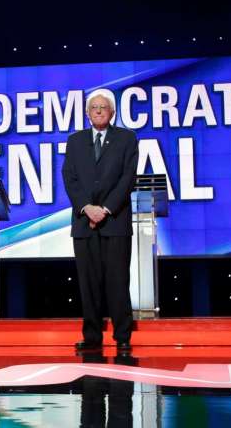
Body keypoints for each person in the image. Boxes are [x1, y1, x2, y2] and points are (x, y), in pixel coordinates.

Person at [62, 90, 139, 353]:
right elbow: (70, 179)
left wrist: (104, 209)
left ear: (112, 112)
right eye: (93, 107)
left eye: (103, 107)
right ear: (87, 113)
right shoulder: (75, 141)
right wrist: (87, 208)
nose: (98, 110)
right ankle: (92, 336)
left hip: (114, 221)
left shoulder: (127, 139)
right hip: (84, 223)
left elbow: (127, 179)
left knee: (117, 281)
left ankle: (123, 336)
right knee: (88, 283)